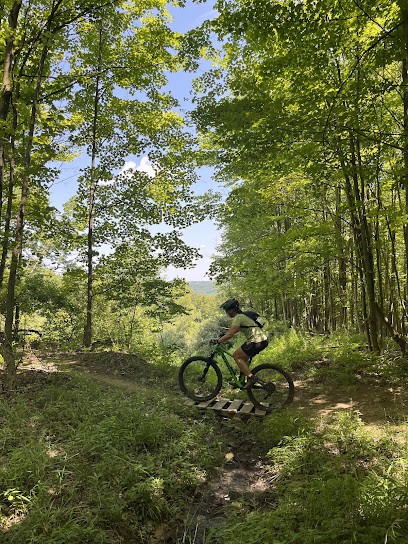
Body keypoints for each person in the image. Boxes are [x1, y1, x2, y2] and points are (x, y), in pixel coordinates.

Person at [216, 298, 268, 388]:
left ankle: (251, 378)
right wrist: (223, 335)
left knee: (236, 356)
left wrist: (218, 341)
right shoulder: (242, 316)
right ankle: (241, 380)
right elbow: (232, 331)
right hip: (262, 340)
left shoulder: (238, 317)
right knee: (242, 359)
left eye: (227, 310)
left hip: (256, 341)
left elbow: (230, 334)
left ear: (232, 310)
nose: (226, 313)